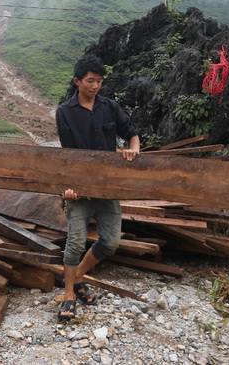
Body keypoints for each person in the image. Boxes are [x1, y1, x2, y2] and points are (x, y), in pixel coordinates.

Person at [55, 54, 140, 321]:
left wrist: (133, 150)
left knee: (111, 241)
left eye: (99, 81)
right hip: (79, 189)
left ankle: (78, 276)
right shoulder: (65, 113)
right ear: (77, 81)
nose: (95, 86)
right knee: (76, 241)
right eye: (90, 81)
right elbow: (67, 155)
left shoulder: (110, 107)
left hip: (107, 187)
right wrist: (68, 188)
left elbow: (132, 133)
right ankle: (69, 295)